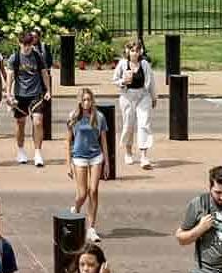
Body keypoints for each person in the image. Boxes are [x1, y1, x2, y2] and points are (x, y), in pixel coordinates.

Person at [67, 88, 109, 242]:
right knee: (82, 194)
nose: (87, 103)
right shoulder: (73, 117)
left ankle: (91, 227)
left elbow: (104, 141)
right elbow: (68, 141)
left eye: (89, 99)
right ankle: (76, 208)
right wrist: (68, 163)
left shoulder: (99, 117)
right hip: (79, 157)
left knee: (94, 190)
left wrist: (107, 163)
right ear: (80, 101)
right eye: (84, 100)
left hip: (95, 156)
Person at [8, 31, 51, 167]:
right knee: (20, 123)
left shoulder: (37, 56)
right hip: (20, 94)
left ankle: (38, 152)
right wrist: (8, 94)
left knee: (38, 122)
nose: (27, 47)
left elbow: (44, 73)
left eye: (29, 44)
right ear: (19, 43)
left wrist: (48, 89)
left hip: (36, 93)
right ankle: (20, 150)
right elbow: (10, 76)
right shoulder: (14, 58)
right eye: (24, 44)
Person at [112, 39, 157, 171]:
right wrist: (123, 81)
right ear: (127, 51)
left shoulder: (144, 64)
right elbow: (114, 79)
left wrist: (154, 97)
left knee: (144, 124)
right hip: (127, 97)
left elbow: (151, 81)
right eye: (132, 50)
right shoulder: (122, 64)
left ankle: (144, 156)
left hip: (143, 96)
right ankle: (128, 152)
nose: (135, 53)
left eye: (137, 50)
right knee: (129, 125)